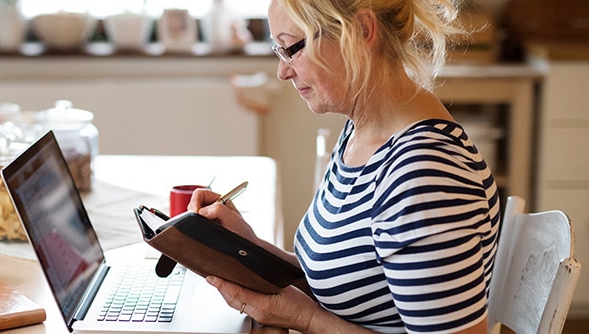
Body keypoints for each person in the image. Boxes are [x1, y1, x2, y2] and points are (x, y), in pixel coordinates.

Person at [188, 0, 500, 333]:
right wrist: (249, 246)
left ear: (363, 30)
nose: (283, 71)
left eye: (293, 47)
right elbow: (349, 283)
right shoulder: (364, 132)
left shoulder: (423, 176)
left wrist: (303, 318)